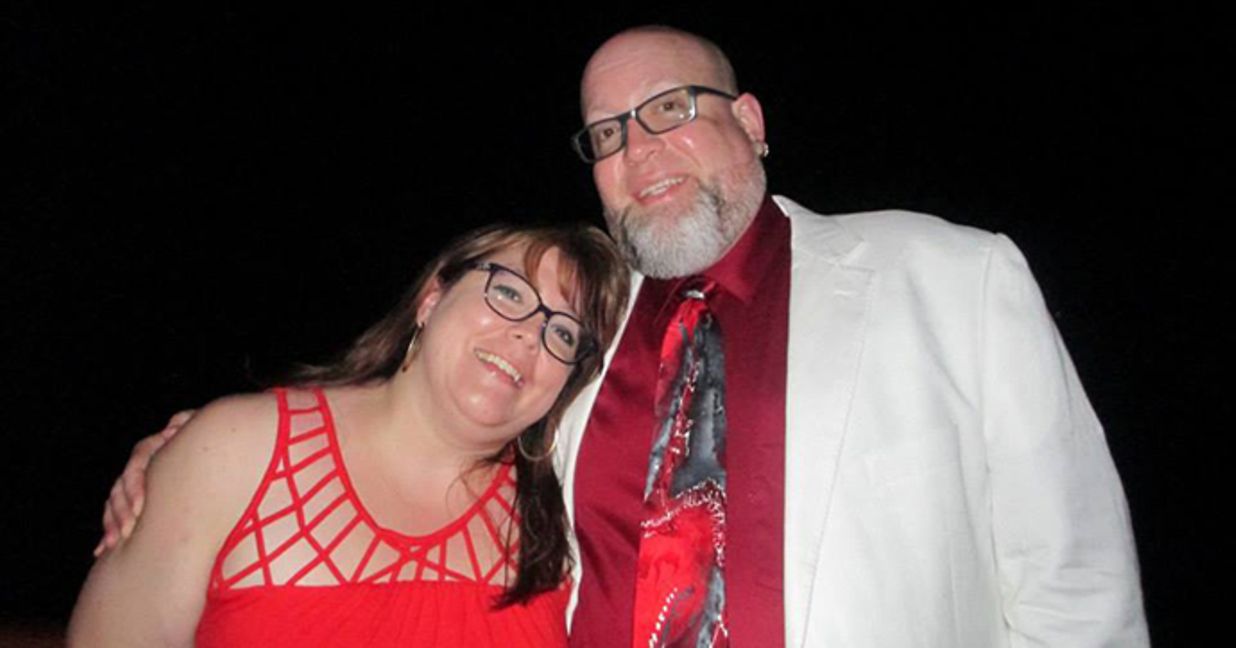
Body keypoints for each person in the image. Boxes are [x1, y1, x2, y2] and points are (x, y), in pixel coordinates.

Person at [97, 26, 1150, 648]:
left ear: (751, 122)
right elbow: (430, 445)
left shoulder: (951, 277)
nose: (638, 149)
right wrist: (207, 456)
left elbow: (1078, 594)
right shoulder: (579, 336)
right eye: (608, 133)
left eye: (671, 109)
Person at [69, 223, 629, 647]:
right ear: (432, 298)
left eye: (563, 334)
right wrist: (186, 458)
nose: (529, 334)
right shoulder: (237, 450)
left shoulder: (567, 511)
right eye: (508, 293)